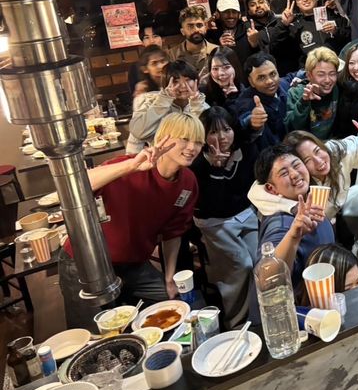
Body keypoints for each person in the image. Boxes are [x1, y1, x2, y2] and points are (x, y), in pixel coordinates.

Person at [59, 114, 204, 329]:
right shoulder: (130, 165)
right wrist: (130, 166)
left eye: (198, 141)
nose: (192, 147)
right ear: (162, 138)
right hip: (85, 262)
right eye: (184, 139)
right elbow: (75, 186)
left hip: (134, 265)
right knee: (94, 331)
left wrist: (169, 277)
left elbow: (173, 233)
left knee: (175, 305)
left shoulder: (188, 182)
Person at [191, 106, 259, 328]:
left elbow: (249, 186)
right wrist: (216, 168)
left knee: (260, 261)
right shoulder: (197, 162)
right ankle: (236, 321)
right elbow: (211, 204)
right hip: (215, 221)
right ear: (203, 135)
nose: (222, 137)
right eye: (213, 132)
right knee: (241, 266)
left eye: (227, 129)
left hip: (246, 214)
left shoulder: (244, 150)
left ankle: (259, 315)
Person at [247, 144, 334, 303]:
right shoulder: (281, 224)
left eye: (296, 165)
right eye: (284, 173)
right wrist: (293, 236)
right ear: (271, 189)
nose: (294, 174)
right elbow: (266, 279)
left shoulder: (309, 202)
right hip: (301, 311)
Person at [283, 113, 358, 223]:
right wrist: (294, 207)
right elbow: (269, 197)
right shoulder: (295, 181)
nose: (318, 161)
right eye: (307, 160)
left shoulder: (335, 151)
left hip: (339, 213)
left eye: (317, 151)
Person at [127, 60, 209, 154]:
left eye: (187, 80)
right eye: (175, 81)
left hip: (192, 158)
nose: (183, 85)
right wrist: (164, 100)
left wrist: (196, 105)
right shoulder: (150, 101)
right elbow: (138, 133)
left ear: (196, 81)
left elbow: (201, 138)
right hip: (159, 158)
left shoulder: (202, 106)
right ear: (165, 83)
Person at [269, 0, 350, 71]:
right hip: (309, 73)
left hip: (338, 69)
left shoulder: (333, 16)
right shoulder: (294, 25)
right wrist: (283, 24)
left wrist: (336, 31)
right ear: (296, 2)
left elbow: (350, 38)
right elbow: (275, 48)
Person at [233, 52, 288, 149]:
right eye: (261, 77)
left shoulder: (283, 84)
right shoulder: (246, 102)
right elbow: (243, 123)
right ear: (251, 81)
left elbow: (291, 77)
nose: (269, 81)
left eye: (273, 74)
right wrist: (252, 123)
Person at [284, 46, 340, 140]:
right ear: (309, 75)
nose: (328, 80)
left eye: (332, 74)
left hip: (332, 143)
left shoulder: (336, 88)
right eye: (321, 75)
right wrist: (303, 102)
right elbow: (291, 128)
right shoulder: (296, 93)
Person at [167, 5, 218, 75]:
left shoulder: (217, 51)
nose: (196, 30)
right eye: (190, 26)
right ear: (182, 31)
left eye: (199, 25)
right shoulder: (172, 55)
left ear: (205, 28)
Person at [206, 0, 254, 66]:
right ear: (218, 14)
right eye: (226, 12)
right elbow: (209, 64)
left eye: (234, 12)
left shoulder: (248, 29)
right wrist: (219, 48)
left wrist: (256, 44)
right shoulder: (212, 35)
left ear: (239, 14)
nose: (231, 16)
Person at [127, 22, 165, 94]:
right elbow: (134, 92)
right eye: (147, 37)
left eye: (155, 36)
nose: (152, 41)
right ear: (142, 42)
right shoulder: (135, 67)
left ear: (163, 39)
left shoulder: (173, 58)